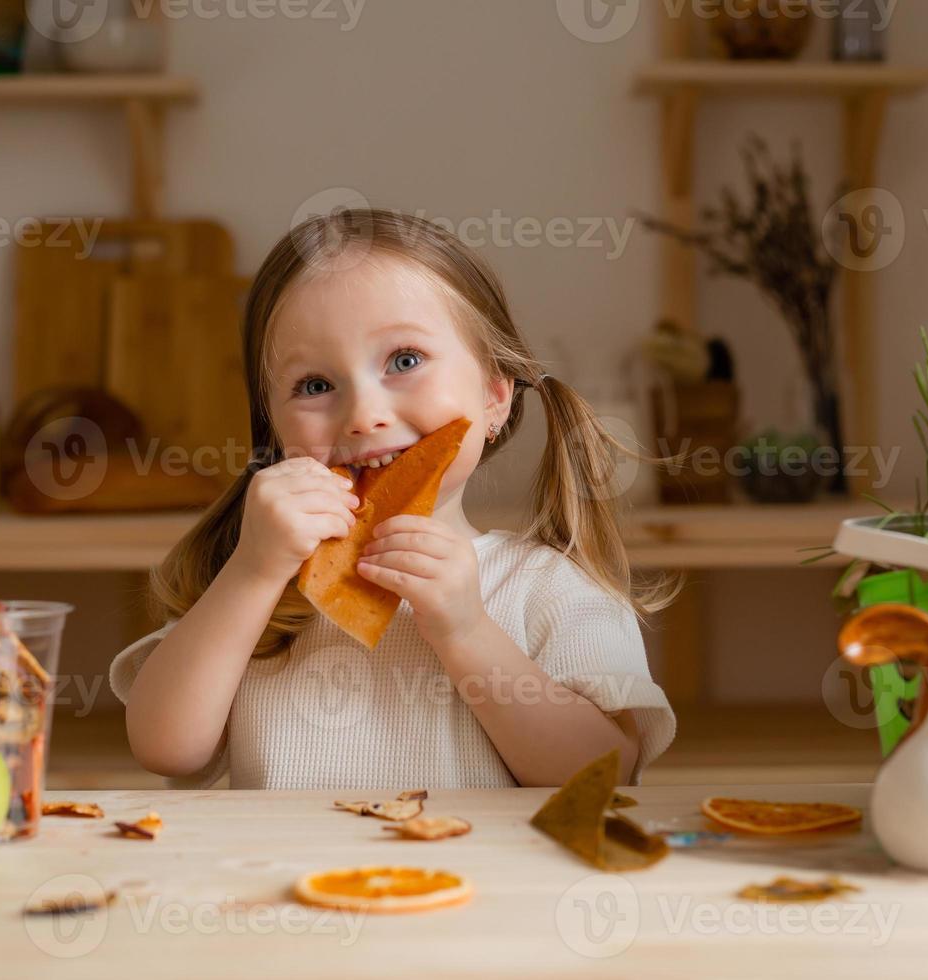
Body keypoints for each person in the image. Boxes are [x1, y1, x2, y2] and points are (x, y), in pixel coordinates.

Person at [111, 207, 679, 789]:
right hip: (284, 881)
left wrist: (467, 633)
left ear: (493, 396)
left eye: (404, 361)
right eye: (314, 385)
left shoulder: (546, 588)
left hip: (477, 882)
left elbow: (604, 777)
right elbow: (166, 748)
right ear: (272, 424)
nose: (362, 417)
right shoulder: (257, 582)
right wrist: (252, 573)